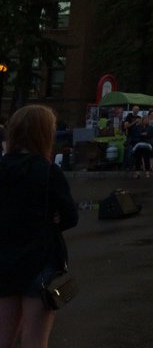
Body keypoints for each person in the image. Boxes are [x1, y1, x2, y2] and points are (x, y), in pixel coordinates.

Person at [0, 105, 79, 348]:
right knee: (35, 341)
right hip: (40, 263)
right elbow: (70, 217)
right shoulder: (47, 172)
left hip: (3, 262)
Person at [133, 113, 153, 178]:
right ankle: (137, 173)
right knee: (138, 159)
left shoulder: (150, 127)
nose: (146, 121)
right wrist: (141, 135)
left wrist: (147, 134)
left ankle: (147, 172)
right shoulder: (137, 127)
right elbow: (135, 135)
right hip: (139, 144)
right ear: (142, 120)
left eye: (147, 120)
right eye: (145, 119)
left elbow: (152, 135)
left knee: (146, 158)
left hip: (147, 144)